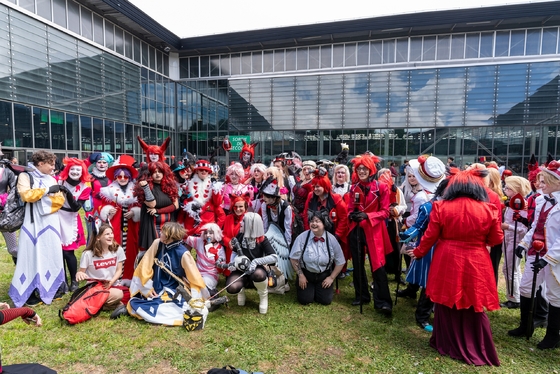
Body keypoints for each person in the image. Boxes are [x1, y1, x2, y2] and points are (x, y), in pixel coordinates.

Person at [408, 167, 503, 366]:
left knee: (445, 300)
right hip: (477, 259)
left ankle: (446, 341)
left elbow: (429, 237)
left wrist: (417, 253)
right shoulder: (490, 209)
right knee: (473, 302)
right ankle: (476, 345)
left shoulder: (441, 207)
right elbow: (495, 239)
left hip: (447, 258)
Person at [9, 150, 66, 307]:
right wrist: (47, 192)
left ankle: (49, 289)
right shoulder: (25, 176)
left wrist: (42, 200)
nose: (53, 167)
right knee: (31, 256)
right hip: (33, 224)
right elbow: (26, 195)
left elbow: (60, 199)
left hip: (51, 223)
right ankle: (28, 293)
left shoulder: (50, 178)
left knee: (50, 254)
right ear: (40, 163)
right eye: (51, 164)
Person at [126, 222, 209, 325]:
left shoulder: (183, 253)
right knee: (135, 301)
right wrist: (147, 287)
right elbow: (145, 265)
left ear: (169, 237)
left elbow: (194, 278)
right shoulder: (157, 243)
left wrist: (197, 299)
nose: (160, 233)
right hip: (155, 287)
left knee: (172, 308)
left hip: (173, 290)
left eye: (163, 232)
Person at [516, 161, 560, 349]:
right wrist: (523, 244)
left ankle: (553, 335)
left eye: (544, 182)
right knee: (526, 287)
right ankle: (525, 325)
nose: (540, 185)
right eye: (539, 181)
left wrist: (547, 259)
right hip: (536, 250)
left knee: (554, 294)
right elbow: (535, 226)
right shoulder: (541, 199)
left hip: (554, 257)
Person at [344, 153, 393, 315]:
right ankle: (361, 295)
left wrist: (368, 216)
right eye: (359, 169)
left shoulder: (382, 187)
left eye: (365, 169)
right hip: (356, 229)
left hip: (374, 231)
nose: (362, 172)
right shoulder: (354, 188)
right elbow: (350, 207)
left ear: (371, 169)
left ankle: (383, 301)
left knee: (377, 266)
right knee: (357, 265)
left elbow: (386, 212)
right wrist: (352, 214)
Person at [222, 213, 278, 314]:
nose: (240, 223)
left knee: (259, 275)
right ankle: (241, 291)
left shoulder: (262, 239)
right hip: (241, 269)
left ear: (251, 225)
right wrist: (232, 263)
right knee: (231, 288)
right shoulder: (240, 236)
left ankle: (263, 296)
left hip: (256, 269)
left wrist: (256, 262)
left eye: (243, 221)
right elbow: (234, 251)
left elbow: (274, 257)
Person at [99, 155, 141, 286]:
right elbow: (99, 206)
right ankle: (114, 276)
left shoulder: (135, 191)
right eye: (119, 176)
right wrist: (107, 210)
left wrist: (134, 212)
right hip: (114, 226)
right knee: (113, 248)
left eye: (126, 176)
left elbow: (140, 206)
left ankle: (129, 276)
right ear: (115, 177)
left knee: (131, 250)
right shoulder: (108, 191)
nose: (122, 179)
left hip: (131, 228)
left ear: (130, 177)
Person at [290, 210, 345, 305]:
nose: (314, 224)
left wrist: (331, 278)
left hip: (324, 276)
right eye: (312, 221)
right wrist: (301, 275)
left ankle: (316, 290)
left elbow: (340, 261)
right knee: (305, 300)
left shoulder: (331, 239)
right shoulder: (302, 237)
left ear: (324, 223)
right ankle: (307, 288)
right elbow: (293, 258)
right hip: (307, 274)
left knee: (325, 301)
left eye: (317, 221)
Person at [303, 169, 349, 278]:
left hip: (333, 231)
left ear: (325, 186)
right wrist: (307, 232)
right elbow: (305, 215)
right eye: (314, 186)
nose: (315, 189)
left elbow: (344, 218)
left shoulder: (336, 198)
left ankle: (337, 271)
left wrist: (337, 235)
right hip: (315, 230)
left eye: (318, 186)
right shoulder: (310, 196)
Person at [75, 223, 127, 316]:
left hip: (111, 284)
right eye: (107, 234)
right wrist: (79, 274)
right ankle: (105, 305)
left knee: (127, 295)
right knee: (119, 295)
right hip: (95, 287)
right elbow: (80, 272)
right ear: (98, 237)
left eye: (111, 233)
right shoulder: (87, 254)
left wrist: (111, 281)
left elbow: (119, 270)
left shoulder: (118, 250)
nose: (111, 236)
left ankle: (95, 305)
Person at [57, 157, 92, 292]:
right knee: (58, 252)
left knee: (68, 252)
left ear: (82, 171)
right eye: (73, 169)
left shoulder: (85, 187)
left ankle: (73, 280)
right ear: (68, 170)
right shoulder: (59, 181)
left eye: (78, 169)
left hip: (71, 219)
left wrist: (66, 192)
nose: (75, 172)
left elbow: (76, 207)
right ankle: (62, 280)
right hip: (56, 217)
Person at [500, 176, 531, 309]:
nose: (505, 190)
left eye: (508, 188)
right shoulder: (512, 202)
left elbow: (524, 228)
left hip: (515, 239)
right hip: (508, 238)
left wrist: (508, 227)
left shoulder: (521, 204)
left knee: (509, 269)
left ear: (516, 189)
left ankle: (515, 298)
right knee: (512, 268)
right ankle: (515, 296)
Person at [135, 161, 179, 254]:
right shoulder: (146, 188)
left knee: (169, 250)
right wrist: (146, 188)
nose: (158, 174)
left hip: (168, 224)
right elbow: (152, 204)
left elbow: (176, 206)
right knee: (155, 251)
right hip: (152, 225)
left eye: (160, 171)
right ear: (150, 174)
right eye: (154, 172)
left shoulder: (170, 186)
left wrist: (158, 211)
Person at [182, 159, 225, 236]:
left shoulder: (212, 185)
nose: (204, 171)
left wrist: (216, 228)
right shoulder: (189, 185)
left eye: (206, 170)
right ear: (197, 171)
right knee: (191, 247)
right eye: (201, 170)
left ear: (209, 172)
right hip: (192, 227)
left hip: (208, 229)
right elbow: (186, 203)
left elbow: (217, 203)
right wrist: (188, 204)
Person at [185, 222, 226, 292]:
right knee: (186, 284)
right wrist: (194, 230)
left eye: (211, 233)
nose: (208, 235)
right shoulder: (200, 242)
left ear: (216, 234)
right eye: (205, 233)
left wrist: (216, 256)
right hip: (197, 273)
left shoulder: (219, 248)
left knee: (201, 286)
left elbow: (221, 270)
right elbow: (184, 237)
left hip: (210, 275)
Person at [0, 158, 18, 264]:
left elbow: (14, 190)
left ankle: (24, 270)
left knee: (13, 249)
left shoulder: (7, 171)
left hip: (4, 214)